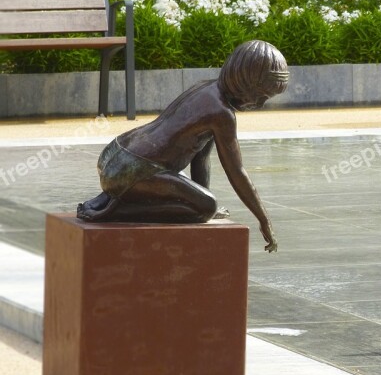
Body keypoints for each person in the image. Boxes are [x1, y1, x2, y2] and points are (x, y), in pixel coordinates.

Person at [77, 40, 288, 253]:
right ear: (245, 81)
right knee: (205, 209)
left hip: (115, 155)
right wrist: (263, 219)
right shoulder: (222, 114)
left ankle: (115, 196)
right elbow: (237, 172)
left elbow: (201, 157)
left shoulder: (207, 88)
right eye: (261, 96)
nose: (260, 105)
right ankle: (118, 210)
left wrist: (201, 194)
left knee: (203, 201)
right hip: (135, 169)